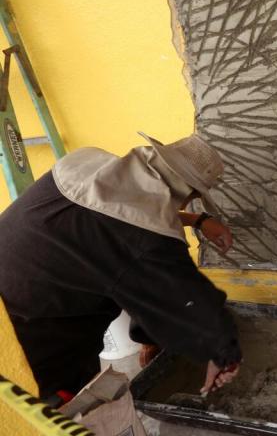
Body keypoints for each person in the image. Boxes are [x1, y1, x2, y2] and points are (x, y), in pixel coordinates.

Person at [0, 132, 242, 406]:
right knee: (59, 406)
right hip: (32, 328)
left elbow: (124, 213)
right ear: (191, 194)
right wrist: (225, 354)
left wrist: (198, 220)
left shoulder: (85, 165)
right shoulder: (145, 244)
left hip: (13, 277)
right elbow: (183, 298)